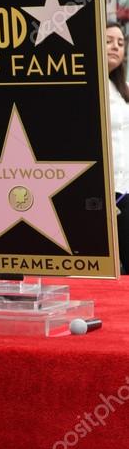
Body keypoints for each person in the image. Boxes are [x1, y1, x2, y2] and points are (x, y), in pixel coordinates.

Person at [106, 21, 129, 273]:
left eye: (120, 43)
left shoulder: (124, 91)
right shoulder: (90, 89)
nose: (115, 47)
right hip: (104, 192)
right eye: (109, 41)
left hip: (127, 189)